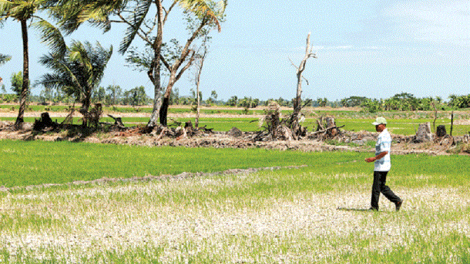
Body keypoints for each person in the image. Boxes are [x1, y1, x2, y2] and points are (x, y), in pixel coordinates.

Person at [365, 117, 403, 211]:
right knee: (381, 186)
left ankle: (374, 207)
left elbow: (385, 151)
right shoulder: (384, 135)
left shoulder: (383, 136)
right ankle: (397, 200)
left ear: (383, 124)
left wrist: (374, 158)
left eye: (377, 125)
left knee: (376, 188)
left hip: (381, 166)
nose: (376, 127)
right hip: (383, 165)